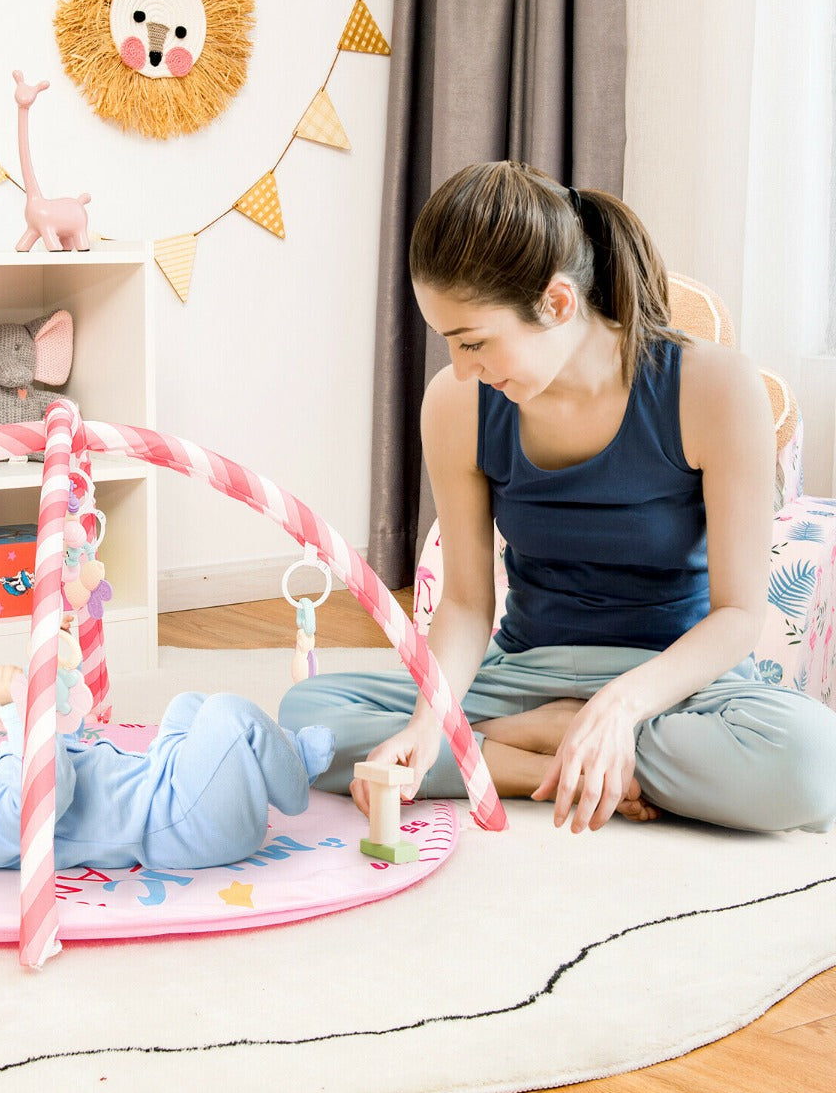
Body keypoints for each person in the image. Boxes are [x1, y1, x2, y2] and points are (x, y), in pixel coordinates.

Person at [279, 159, 836, 835]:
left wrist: (620, 705)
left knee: (813, 761)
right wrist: (432, 724)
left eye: (475, 341)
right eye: (449, 343)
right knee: (311, 713)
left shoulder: (712, 386)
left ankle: (530, 744)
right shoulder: (459, 403)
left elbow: (740, 615)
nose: (461, 368)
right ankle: (542, 760)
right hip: (524, 673)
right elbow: (462, 603)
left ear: (559, 302)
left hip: (670, 685)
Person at [0, 665, 335, 870]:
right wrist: (19, 712)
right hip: (180, 823)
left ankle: (279, 757)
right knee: (226, 713)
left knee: (185, 706)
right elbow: (49, 788)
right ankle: (295, 778)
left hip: (161, 776)